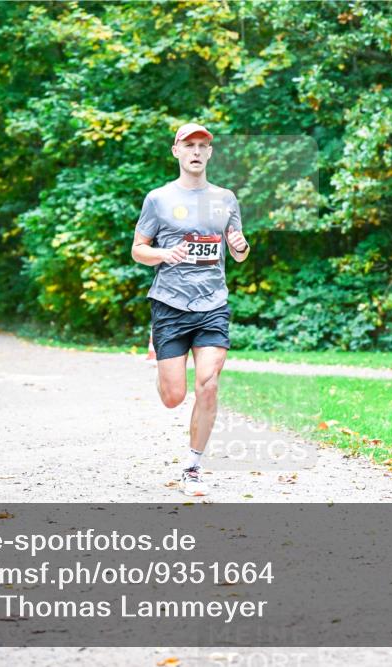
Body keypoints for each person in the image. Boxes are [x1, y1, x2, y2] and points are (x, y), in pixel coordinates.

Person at [131, 123, 250, 496]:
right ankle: (157, 341)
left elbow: (239, 253)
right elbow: (138, 249)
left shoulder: (226, 199)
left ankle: (194, 467)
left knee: (209, 383)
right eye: (189, 145)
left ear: (210, 153)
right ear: (177, 152)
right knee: (173, 397)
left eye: (203, 145)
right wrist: (164, 254)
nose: (196, 151)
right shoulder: (158, 199)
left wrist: (241, 245)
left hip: (212, 304)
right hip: (169, 303)